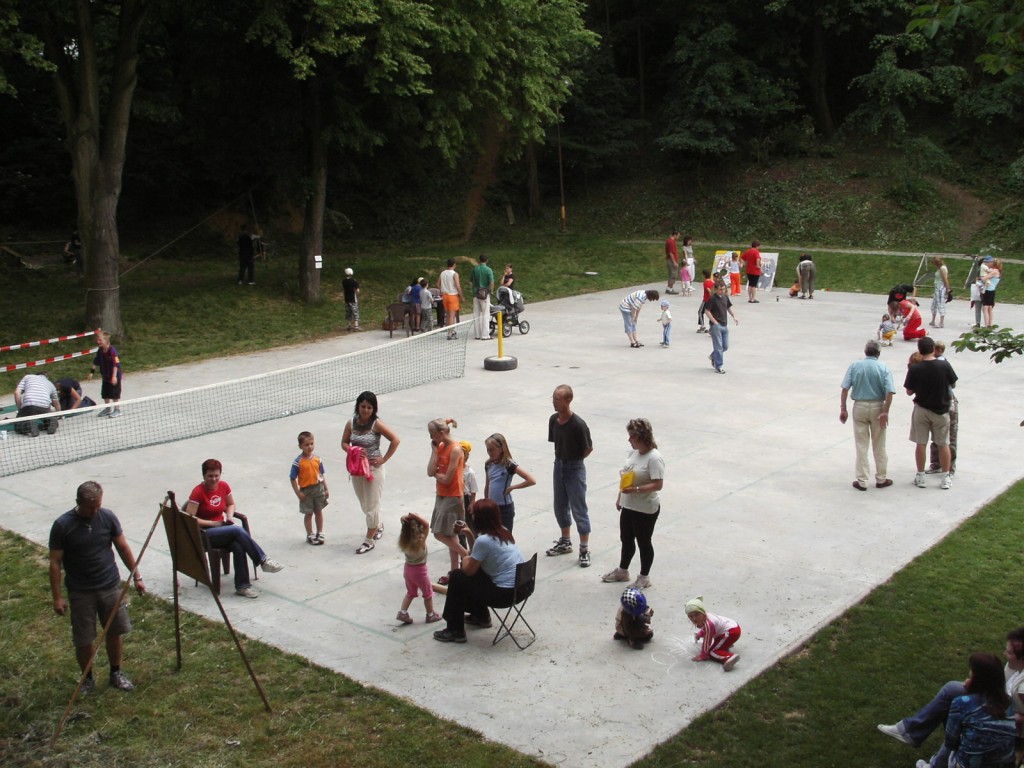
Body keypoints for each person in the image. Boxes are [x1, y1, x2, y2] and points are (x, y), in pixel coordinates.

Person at [49, 481, 145, 693]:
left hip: (109, 586)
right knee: (83, 638)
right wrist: (57, 597)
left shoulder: (107, 517)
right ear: (78, 502)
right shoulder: (63, 526)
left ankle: (116, 673)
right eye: (90, 507)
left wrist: (137, 576)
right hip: (81, 591)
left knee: (114, 630)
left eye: (98, 506)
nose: (95, 511)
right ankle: (87, 679)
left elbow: (122, 547)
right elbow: (55, 563)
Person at [879, 628, 1024, 750]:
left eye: (1009, 653)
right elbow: (998, 684)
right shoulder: (1013, 666)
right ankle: (910, 732)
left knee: (959, 707)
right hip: (996, 703)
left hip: (1007, 721)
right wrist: (975, 684)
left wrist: (1009, 715)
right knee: (953, 689)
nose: (1005, 654)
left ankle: (930, 748)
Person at [185, 458, 285, 599]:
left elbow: (230, 504)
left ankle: (242, 586)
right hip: (205, 534)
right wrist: (212, 524)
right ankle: (262, 560)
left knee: (238, 544)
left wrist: (230, 516)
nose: (213, 479)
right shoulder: (197, 492)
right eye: (210, 476)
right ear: (203, 475)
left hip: (222, 531)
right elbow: (189, 519)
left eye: (216, 475)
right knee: (237, 530)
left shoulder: (223, 486)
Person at [432, 499, 525, 644]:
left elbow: (468, 570)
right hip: (522, 588)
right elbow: (478, 555)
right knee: (478, 571)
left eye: (474, 515)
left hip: (504, 595)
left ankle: (455, 630)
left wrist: (465, 556)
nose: (472, 518)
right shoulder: (504, 531)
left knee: (457, 577)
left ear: (481, 519)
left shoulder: (485, 541)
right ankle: (480, 615)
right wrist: (469, 534)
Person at [915, 653, 1016, 768]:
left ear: (977, 679)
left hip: (968, 764)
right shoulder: (1011, 702)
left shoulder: (962, 703)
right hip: (1004, 764)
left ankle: (935, 765)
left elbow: (950, 742)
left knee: (955, 727)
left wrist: (969, 693)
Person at [602, 418, 665, 589]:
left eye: (632, 436)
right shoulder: (633, 453)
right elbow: (625, 477)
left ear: (641, 437)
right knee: (626, 539)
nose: (629, 439)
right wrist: (620, 497)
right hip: (629, 505)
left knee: (644, 542)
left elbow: (658, 484)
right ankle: (623, 571)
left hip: (644, 508)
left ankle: (644, 577)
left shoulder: (654, 458)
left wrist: (636, 489)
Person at [341, 391, 400, 554]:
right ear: (358, 406)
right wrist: (353, 450)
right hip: (357, 469)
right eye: (363, 406)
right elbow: (344, 442)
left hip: (373, 469)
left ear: (374, 409)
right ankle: (378, 524)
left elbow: (395, 440)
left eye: (369, 407)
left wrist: (384, 459)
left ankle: (369, 540)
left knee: (372, 504)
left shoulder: (376, 424)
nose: (365, 410)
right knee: (364, 503)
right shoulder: (351, 423)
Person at [840, 340, 896, 491]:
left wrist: (843, 408)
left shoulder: (855, 366)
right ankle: (881, 478)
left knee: (861, 445)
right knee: (879, 444)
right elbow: (890, 391)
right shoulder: (883, 367)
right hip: (878, 406)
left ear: (865, 352)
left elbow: (845, 389)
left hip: (859, 406)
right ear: (878, 353)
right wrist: (885, 411)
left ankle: (862, 480)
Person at [547, 384, 594, 567]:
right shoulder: (553, 420)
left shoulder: (578, 424)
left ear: (568, 400)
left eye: (557, 399)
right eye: (553, 399)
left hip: (574, 467)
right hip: (558, 464)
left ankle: (584, 549)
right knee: (559, 505)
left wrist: (574, 461)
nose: (554, 402)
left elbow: (588, 448)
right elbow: (555, 442)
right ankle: (565, 541)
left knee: (578, 508)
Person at [904, 336, 958, 490]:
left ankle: (920, 476)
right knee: (943, 443)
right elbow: (953, 383)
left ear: (920, 350)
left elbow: (909, 391)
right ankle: (946, 477)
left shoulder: (915, 368)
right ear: (933, 349)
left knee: (921, 443)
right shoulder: (944, 365)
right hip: (941, 409)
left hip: (921, 409)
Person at [427, 418, 467, 579]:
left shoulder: (456, 449)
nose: (431, 437)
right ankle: (454, 570)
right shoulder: (441, 447)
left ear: (442, 432)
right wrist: (434, 451)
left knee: (439, 533)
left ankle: (466, 554)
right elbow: (429, 471)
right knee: (451, 535)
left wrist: (436, 474)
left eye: (433, 434)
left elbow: (448, 478)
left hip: (453, 495)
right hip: (441, 494)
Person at [483, 433, 536, 532]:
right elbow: (487, 485)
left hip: (505, 508)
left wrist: (512, 487)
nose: (489, 452)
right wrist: (486, 502)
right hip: (492, 506)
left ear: (501, 449)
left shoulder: (509, 464)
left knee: (505, 536)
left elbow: (531, 480)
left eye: (492, 450)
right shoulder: (489, 464)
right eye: (488, 450)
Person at [395, 513, 441, 625]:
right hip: (420, 572)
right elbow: (426, 525)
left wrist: (404, 519)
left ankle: (403, 612)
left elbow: (406, 526)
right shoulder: (421, 541)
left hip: (407, 570)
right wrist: (414, 516)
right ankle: (430, 614)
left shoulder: (405, 540)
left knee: (410, 592)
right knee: (428, 594)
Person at [289, 431, 329, 545]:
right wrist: (298, 493)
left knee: (319, 511)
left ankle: (320, 532)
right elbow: (292, 478)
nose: (310, 447)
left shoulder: (317, 459)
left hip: (318, 489)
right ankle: (310, 534)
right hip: (306, 492)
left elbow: (321, 475)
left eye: (311, 444)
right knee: (309, 513)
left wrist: (326, 488)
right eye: (306, 445)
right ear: (300, 446)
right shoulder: (298, 462)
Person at [926, 341, 958, 478]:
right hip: (939, 402)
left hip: (947, 402)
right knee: (938, 435)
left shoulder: (943, 364)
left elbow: (953, 383)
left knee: (948, 437)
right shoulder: (936, 364)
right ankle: (938, 464)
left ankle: (948, 467)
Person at [685, 595, 741, 671]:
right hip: (733, 628)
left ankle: (729, 657)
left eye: (697, 614)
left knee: (711, 652)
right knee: (717, 642)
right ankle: (726, 644)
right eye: (690, 616)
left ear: (702, 612)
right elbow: (705, 629)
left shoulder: (709, 624)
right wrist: (700, 634)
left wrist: (703, 655)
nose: (694, 618)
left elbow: (707, 641)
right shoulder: (705, 618)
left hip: (731, 632)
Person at [705, 281, 739, 374]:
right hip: (716, 326)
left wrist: (734, 316)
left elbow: (728, 307)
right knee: (718, 346)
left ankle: (713, 356)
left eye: (723, 289)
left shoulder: (725, 297)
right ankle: (718, 366)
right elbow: (707, 311)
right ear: (716, 289)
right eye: (720, 289)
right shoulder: (712, 298)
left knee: (725, 346)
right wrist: (714, 322)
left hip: (724, 325)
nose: (722, 291)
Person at [89, 331, 123, 418]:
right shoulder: (100, 350)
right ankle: (108, 409)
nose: (98, 342)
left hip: (114, 376)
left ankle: (117, 410)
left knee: (115, 394)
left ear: (106, 341)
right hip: (105, 376)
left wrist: (114, 376)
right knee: (105, 393)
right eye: (98, 340)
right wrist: (91, 373)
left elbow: (116, 364)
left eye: (100, 340)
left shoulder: (112, 351)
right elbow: (95, 361)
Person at [470, 254, 495, 340]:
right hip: (484, 294)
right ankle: (485, 335)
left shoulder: (475, 269)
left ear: (479, 260)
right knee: (485, 314)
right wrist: (491, 291)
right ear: (487, 260)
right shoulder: (488, 270)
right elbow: (491, 282)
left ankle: (477, 334)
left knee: (476, 314)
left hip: (475, 293)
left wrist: (473, 289)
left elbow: (471, 281)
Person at [438, 258, 463, 338]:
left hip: (445, 296)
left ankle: (450, 330)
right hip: (452, 296)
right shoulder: (455, 274)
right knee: (452, 316)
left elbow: (438, 284)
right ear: (454, 264)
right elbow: (457, 286)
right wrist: (461, 296)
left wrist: (443, 289)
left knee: (448, 315)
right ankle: (450, 333)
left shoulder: (442, 273)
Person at [930, 256, 951, 328]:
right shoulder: (940, 268)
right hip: (937, 287)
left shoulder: (942, 268)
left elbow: (945, 279)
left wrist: (948, 289)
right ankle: (933, 320)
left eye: (934, 263)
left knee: (940, 304)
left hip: (940, 288)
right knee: (934, 304)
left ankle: (941, 322)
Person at [981, 255, 1001, 327]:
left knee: (985, 309)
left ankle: (987, 325)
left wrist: (983, 274)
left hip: (988, 290)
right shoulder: (997, 271)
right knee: (989, 308)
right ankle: (989, 324)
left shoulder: (994, 271)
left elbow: (983, 279)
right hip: (992, 290)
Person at [664, 229, 680, 294]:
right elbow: (671, 253)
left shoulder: (672, 241)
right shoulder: (670, 242)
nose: (678, 237)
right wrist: (674, 262)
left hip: (673, 260)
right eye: (678, 236)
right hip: (671, 260)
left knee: (672, 275)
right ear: (675, 235)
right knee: (673, 275)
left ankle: (669, 288)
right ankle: (669, 289)